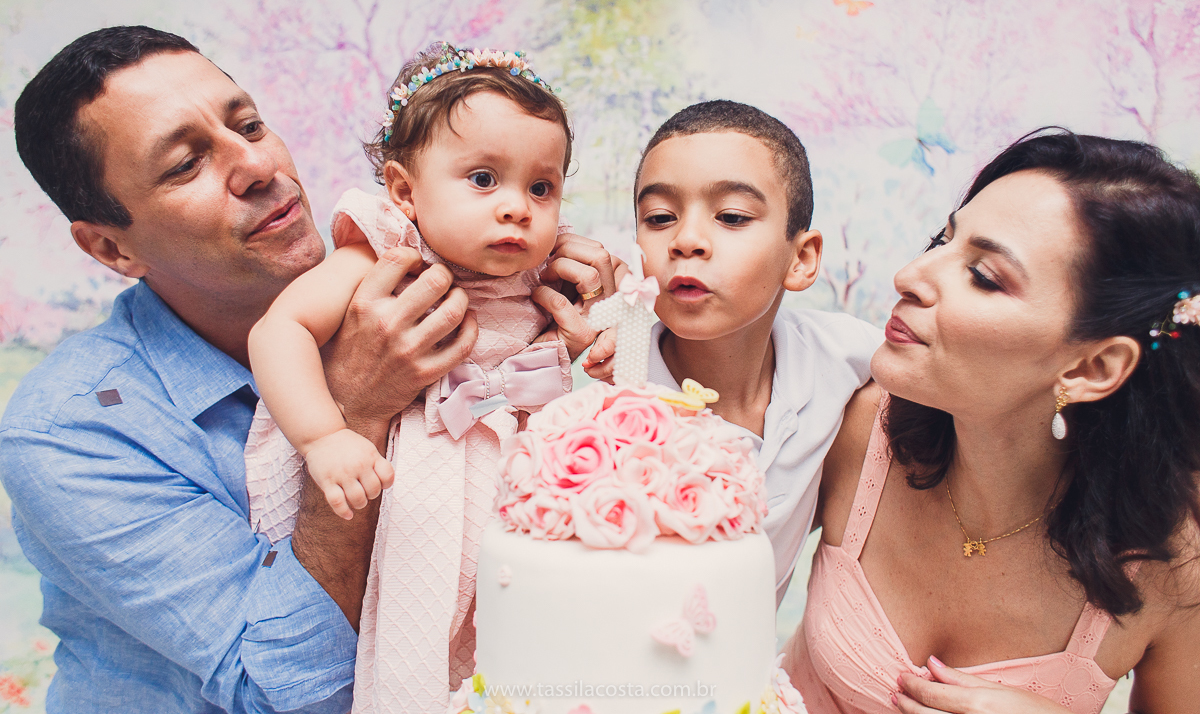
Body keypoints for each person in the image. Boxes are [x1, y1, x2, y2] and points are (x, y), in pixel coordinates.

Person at [0, 26, 614, 713]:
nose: (256, 166)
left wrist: (563, 308)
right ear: (113, 249)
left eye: (249, 125)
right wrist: (353, 410)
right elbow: (281, 696)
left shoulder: (407, 276)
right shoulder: (69, 435)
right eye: (186, 164)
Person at [784, 130, 1200, 714]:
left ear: (1093, 367)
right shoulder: (853, 429)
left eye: (983, 274)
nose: (910, 274)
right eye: (941, 239)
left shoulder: (1171, 563)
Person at [244, 41, 601, 713]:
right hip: (418, 489)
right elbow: (278, 330)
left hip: (520, 487)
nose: (518, 207)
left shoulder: (545, 268)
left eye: (541, 187)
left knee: (529, 650)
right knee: (419, 643)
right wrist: (324, 437)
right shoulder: (383, 256)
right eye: (484, 179)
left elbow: (595, 341)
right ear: (405, 192)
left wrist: (600, 338)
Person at [588, 100, 883, 603]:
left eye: (731, 216)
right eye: (659, 218)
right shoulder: (611, 405)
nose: (686, 240)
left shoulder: (840, 355)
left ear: (801, 259)